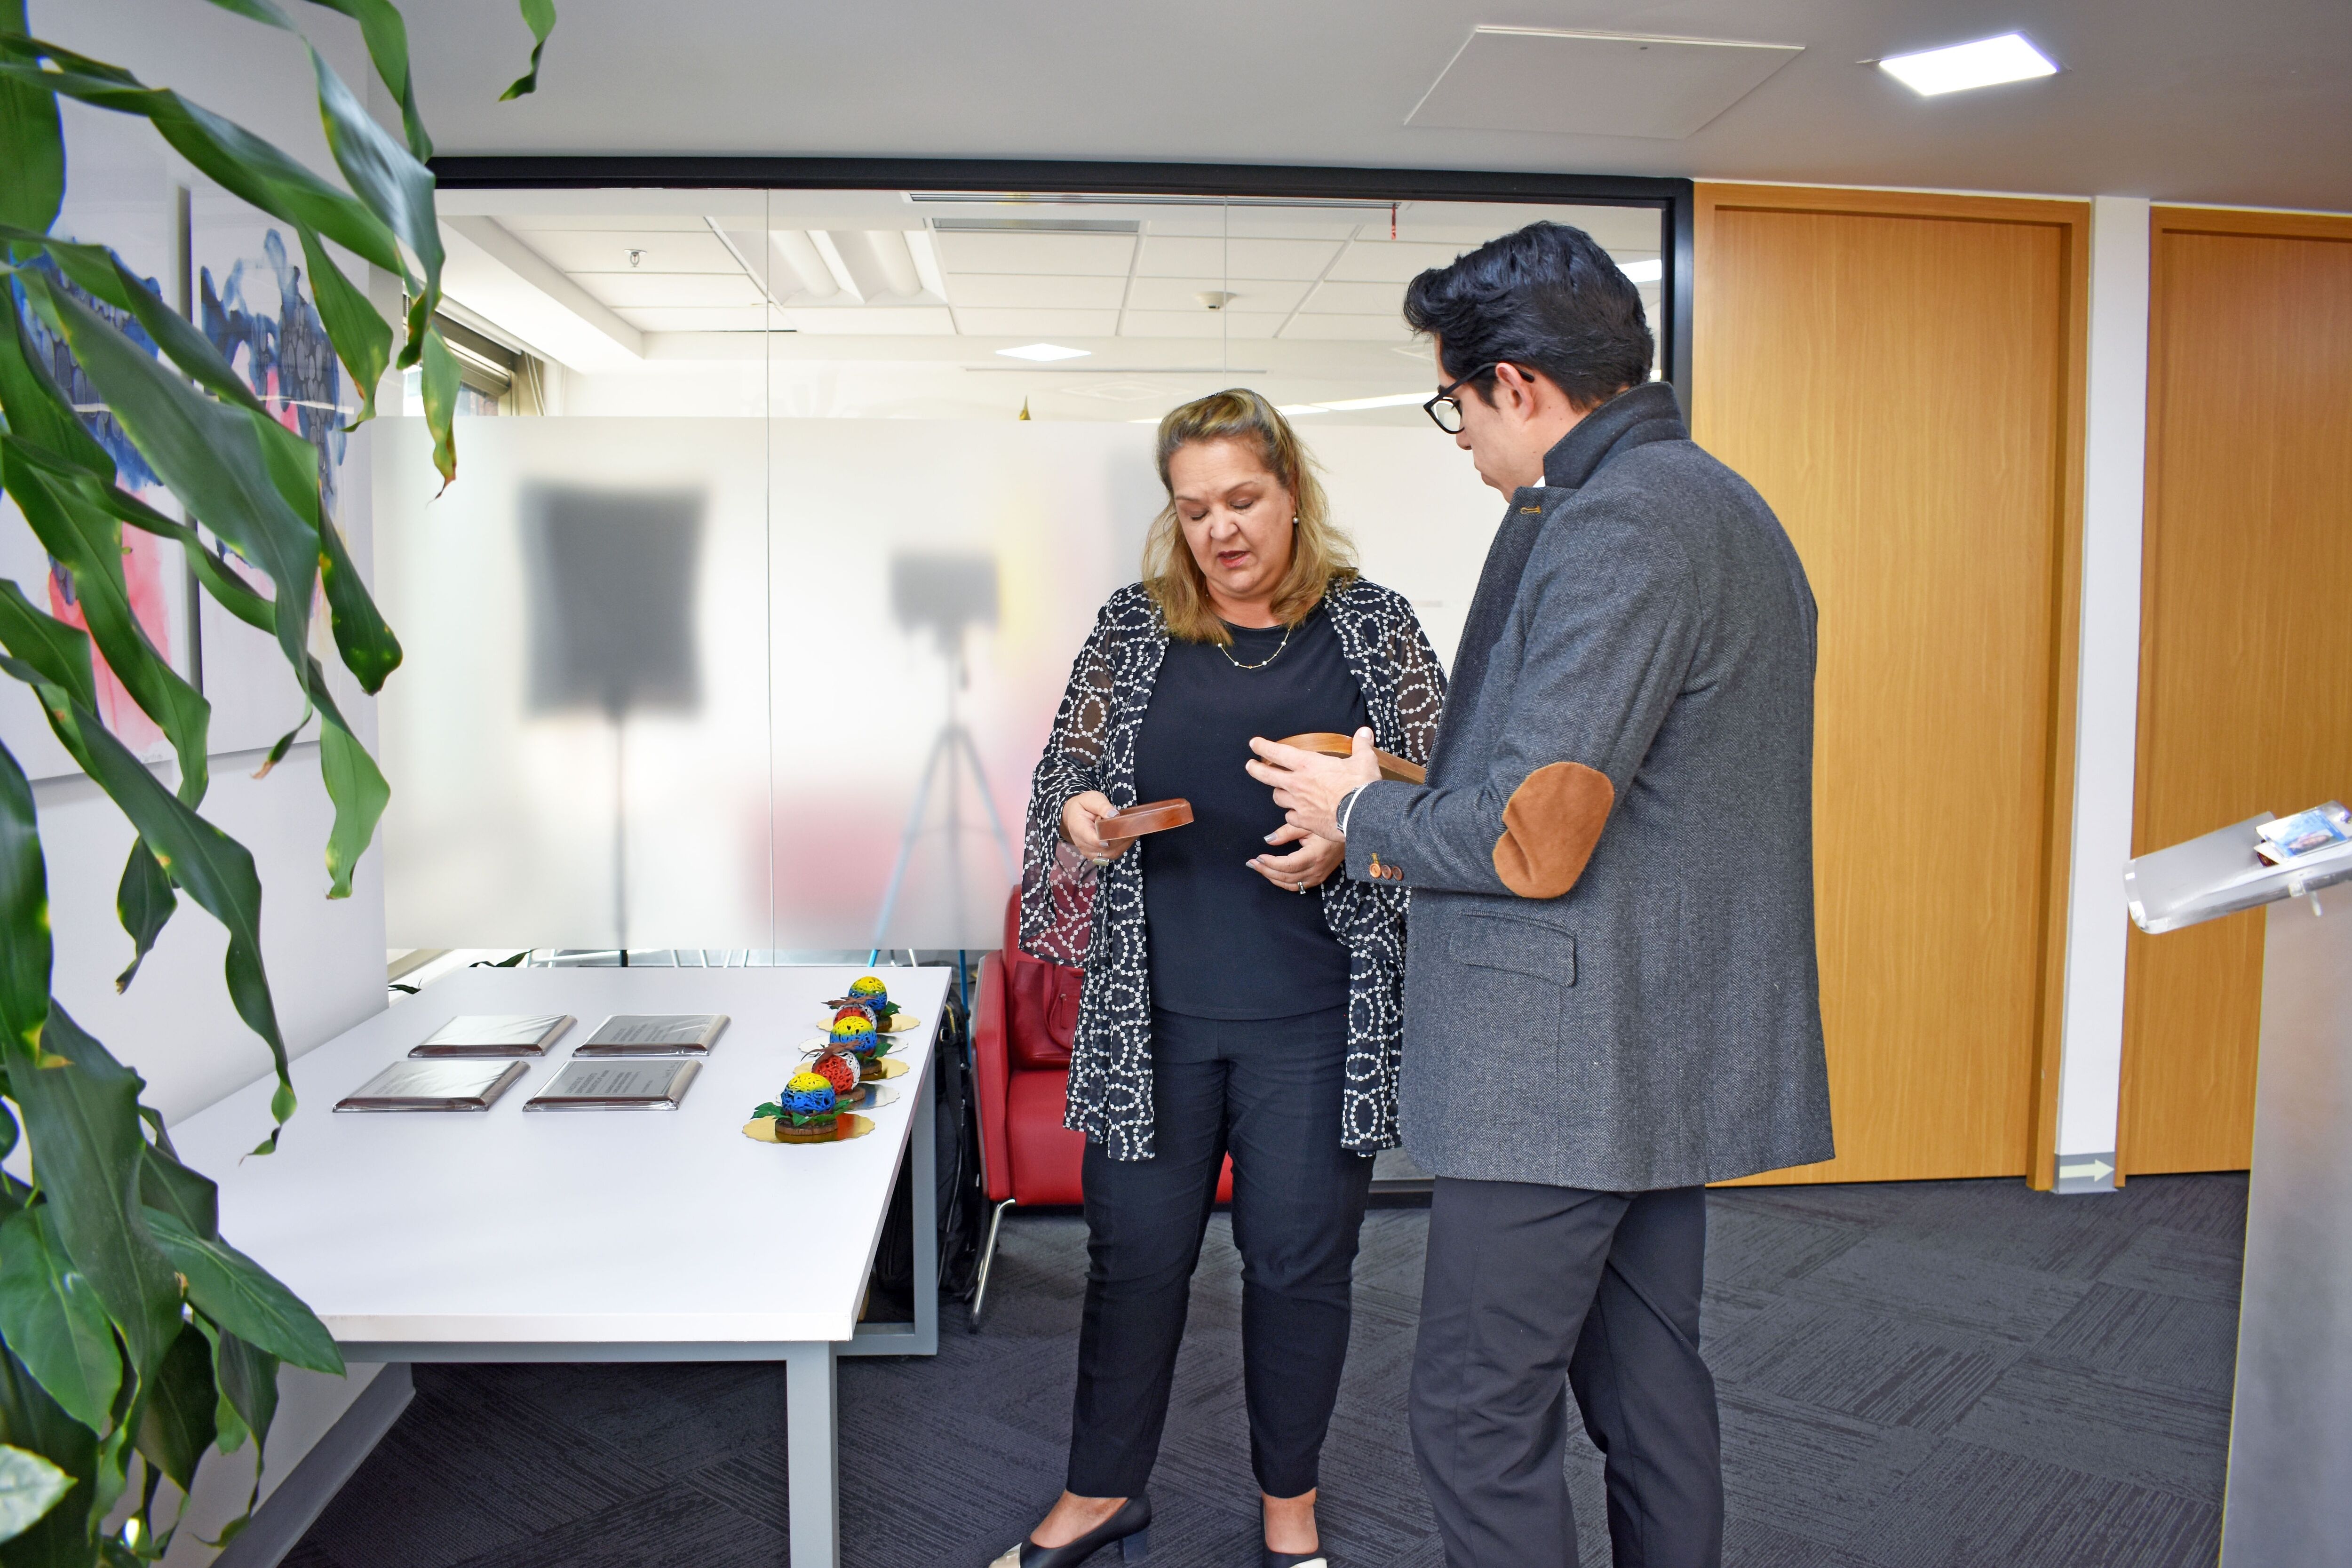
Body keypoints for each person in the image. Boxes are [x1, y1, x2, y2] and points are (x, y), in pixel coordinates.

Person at [1247, 223, 1833, 1567]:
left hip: (1563, 1070)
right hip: (1642, 1049)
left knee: (1472, 1408)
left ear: (1517, 384)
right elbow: (1604, 785)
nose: (1458, 433)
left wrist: (1360, 812)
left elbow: (1537, 843)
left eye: (1455, 400)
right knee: (1646, 1392)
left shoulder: (1619, 523)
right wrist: (1387, 783)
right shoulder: (1717, 502)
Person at [993, 389, 1446, 1568]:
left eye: (1242, 498)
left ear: (1291, 489)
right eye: (1193, 508)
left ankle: (1287, 1502)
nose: (1220, 529)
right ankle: (1100, 1489)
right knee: (1132, 1256)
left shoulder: (1373, 626)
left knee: (1299, 1264)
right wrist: (1086, 815)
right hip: (1151, 1013)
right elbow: (1066, 776)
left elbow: (1446, 791)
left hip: (1314, 1011)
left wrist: (1356, 831)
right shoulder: (1135, 626)